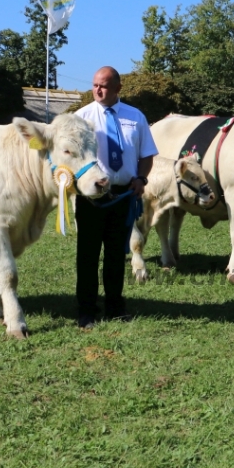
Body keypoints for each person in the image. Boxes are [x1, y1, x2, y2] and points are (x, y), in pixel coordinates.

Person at [73, 67, 158, 328]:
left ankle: (115, 307)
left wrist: (141, 179)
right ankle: (86, 311)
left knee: (115, 254)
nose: (98, 90)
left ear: (118, 88)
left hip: (123, 197)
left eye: (105, 86)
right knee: (87, 255)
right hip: (91, 198)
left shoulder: (136, 117)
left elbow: (146, 155)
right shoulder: (81, 118)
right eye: (95, 85)